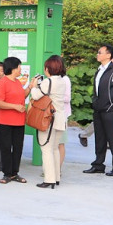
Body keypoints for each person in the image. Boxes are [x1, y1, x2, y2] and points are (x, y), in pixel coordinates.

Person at [84, 45, 113, 176]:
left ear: (108, 55)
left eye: (100, 52)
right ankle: (98, 164)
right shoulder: (100, 70)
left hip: (111, 110)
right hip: (99, 109)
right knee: (100, 138)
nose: (97, 54)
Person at [30, 56, 68, 189]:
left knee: (46, 149)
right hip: (60, 118)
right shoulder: (63, 81)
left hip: (48, 119)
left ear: (48, 68)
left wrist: (34, 86)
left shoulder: (48, 82)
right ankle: (56, 178)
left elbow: (35, 95)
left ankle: (49, 179)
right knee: (54, 148)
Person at [0, 57, 31, 185]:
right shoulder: (2, 82)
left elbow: (21, 96)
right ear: (14, 68)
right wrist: (15, 106)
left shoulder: (17, 82)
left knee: (18, 148)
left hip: (19, 121)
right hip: (4, 121)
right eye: (19, 66)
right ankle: (7, 173)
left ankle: (15, 173)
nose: (21, 69)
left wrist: (30, 87)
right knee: (5, 148)